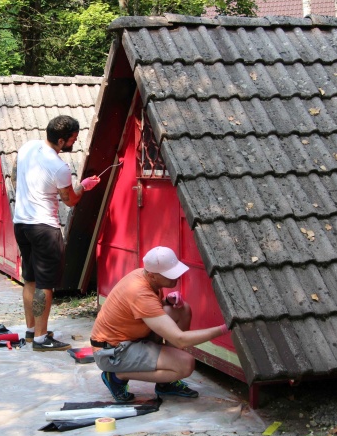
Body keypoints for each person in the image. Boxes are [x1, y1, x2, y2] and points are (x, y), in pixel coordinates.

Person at [90, 246, 231, 402]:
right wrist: (225, 329)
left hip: (129, 338)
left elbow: (144, 311)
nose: (176, 277)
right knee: (186, 364)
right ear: (152, 275)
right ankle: (116, 376)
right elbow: (180, 339)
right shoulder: (140, 292)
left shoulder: (145, 278)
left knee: (181, 310)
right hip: (112, 352)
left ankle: (166, 384)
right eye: (170, 275)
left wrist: (165, 302)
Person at [13, 115, 100, 351]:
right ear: (61, 141)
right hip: (44, 228)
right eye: (73, 138)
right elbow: (70, 200)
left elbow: (14, 174)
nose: (75, 141)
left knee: (30, 278)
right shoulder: (60, 167)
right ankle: (42, 339)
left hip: (21, 223)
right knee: (45, 283)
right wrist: (84, 186)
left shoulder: (28, 147)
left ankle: (32, 331)